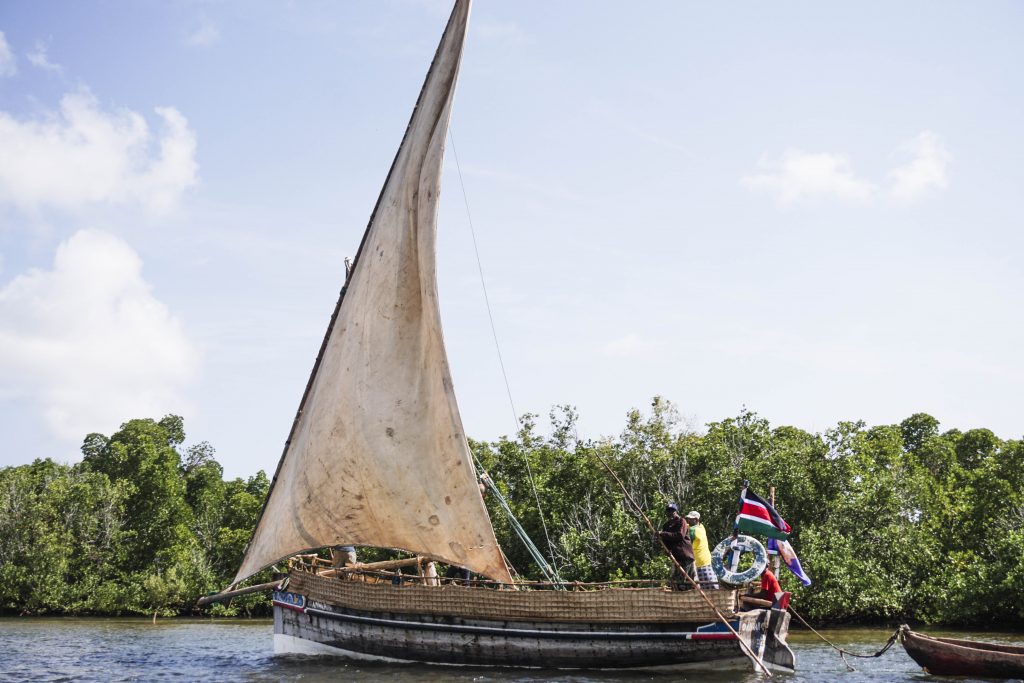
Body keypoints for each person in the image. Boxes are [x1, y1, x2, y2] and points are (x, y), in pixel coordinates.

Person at [658, 503, 694, 589]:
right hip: (676, 557)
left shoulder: (682, 521)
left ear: (676, 512)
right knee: (675, 582)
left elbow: (680, 535)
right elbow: (666, 541)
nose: (670, 513)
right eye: (668, 511)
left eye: (672, 511)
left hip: (685, 556)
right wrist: (660, 539)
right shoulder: (666, 525)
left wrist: (663, 534)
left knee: (686, 583)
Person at [685, 510, 719, 590]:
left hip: (700, 563)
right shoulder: (701, 526)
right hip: (706, 560)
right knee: (710, 586)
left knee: (709, 587)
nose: (688, 520)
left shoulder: (693, 530)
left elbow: (687, 542)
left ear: (696, 520)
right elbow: (686, 525)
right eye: (688, 518)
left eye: (691, 519)